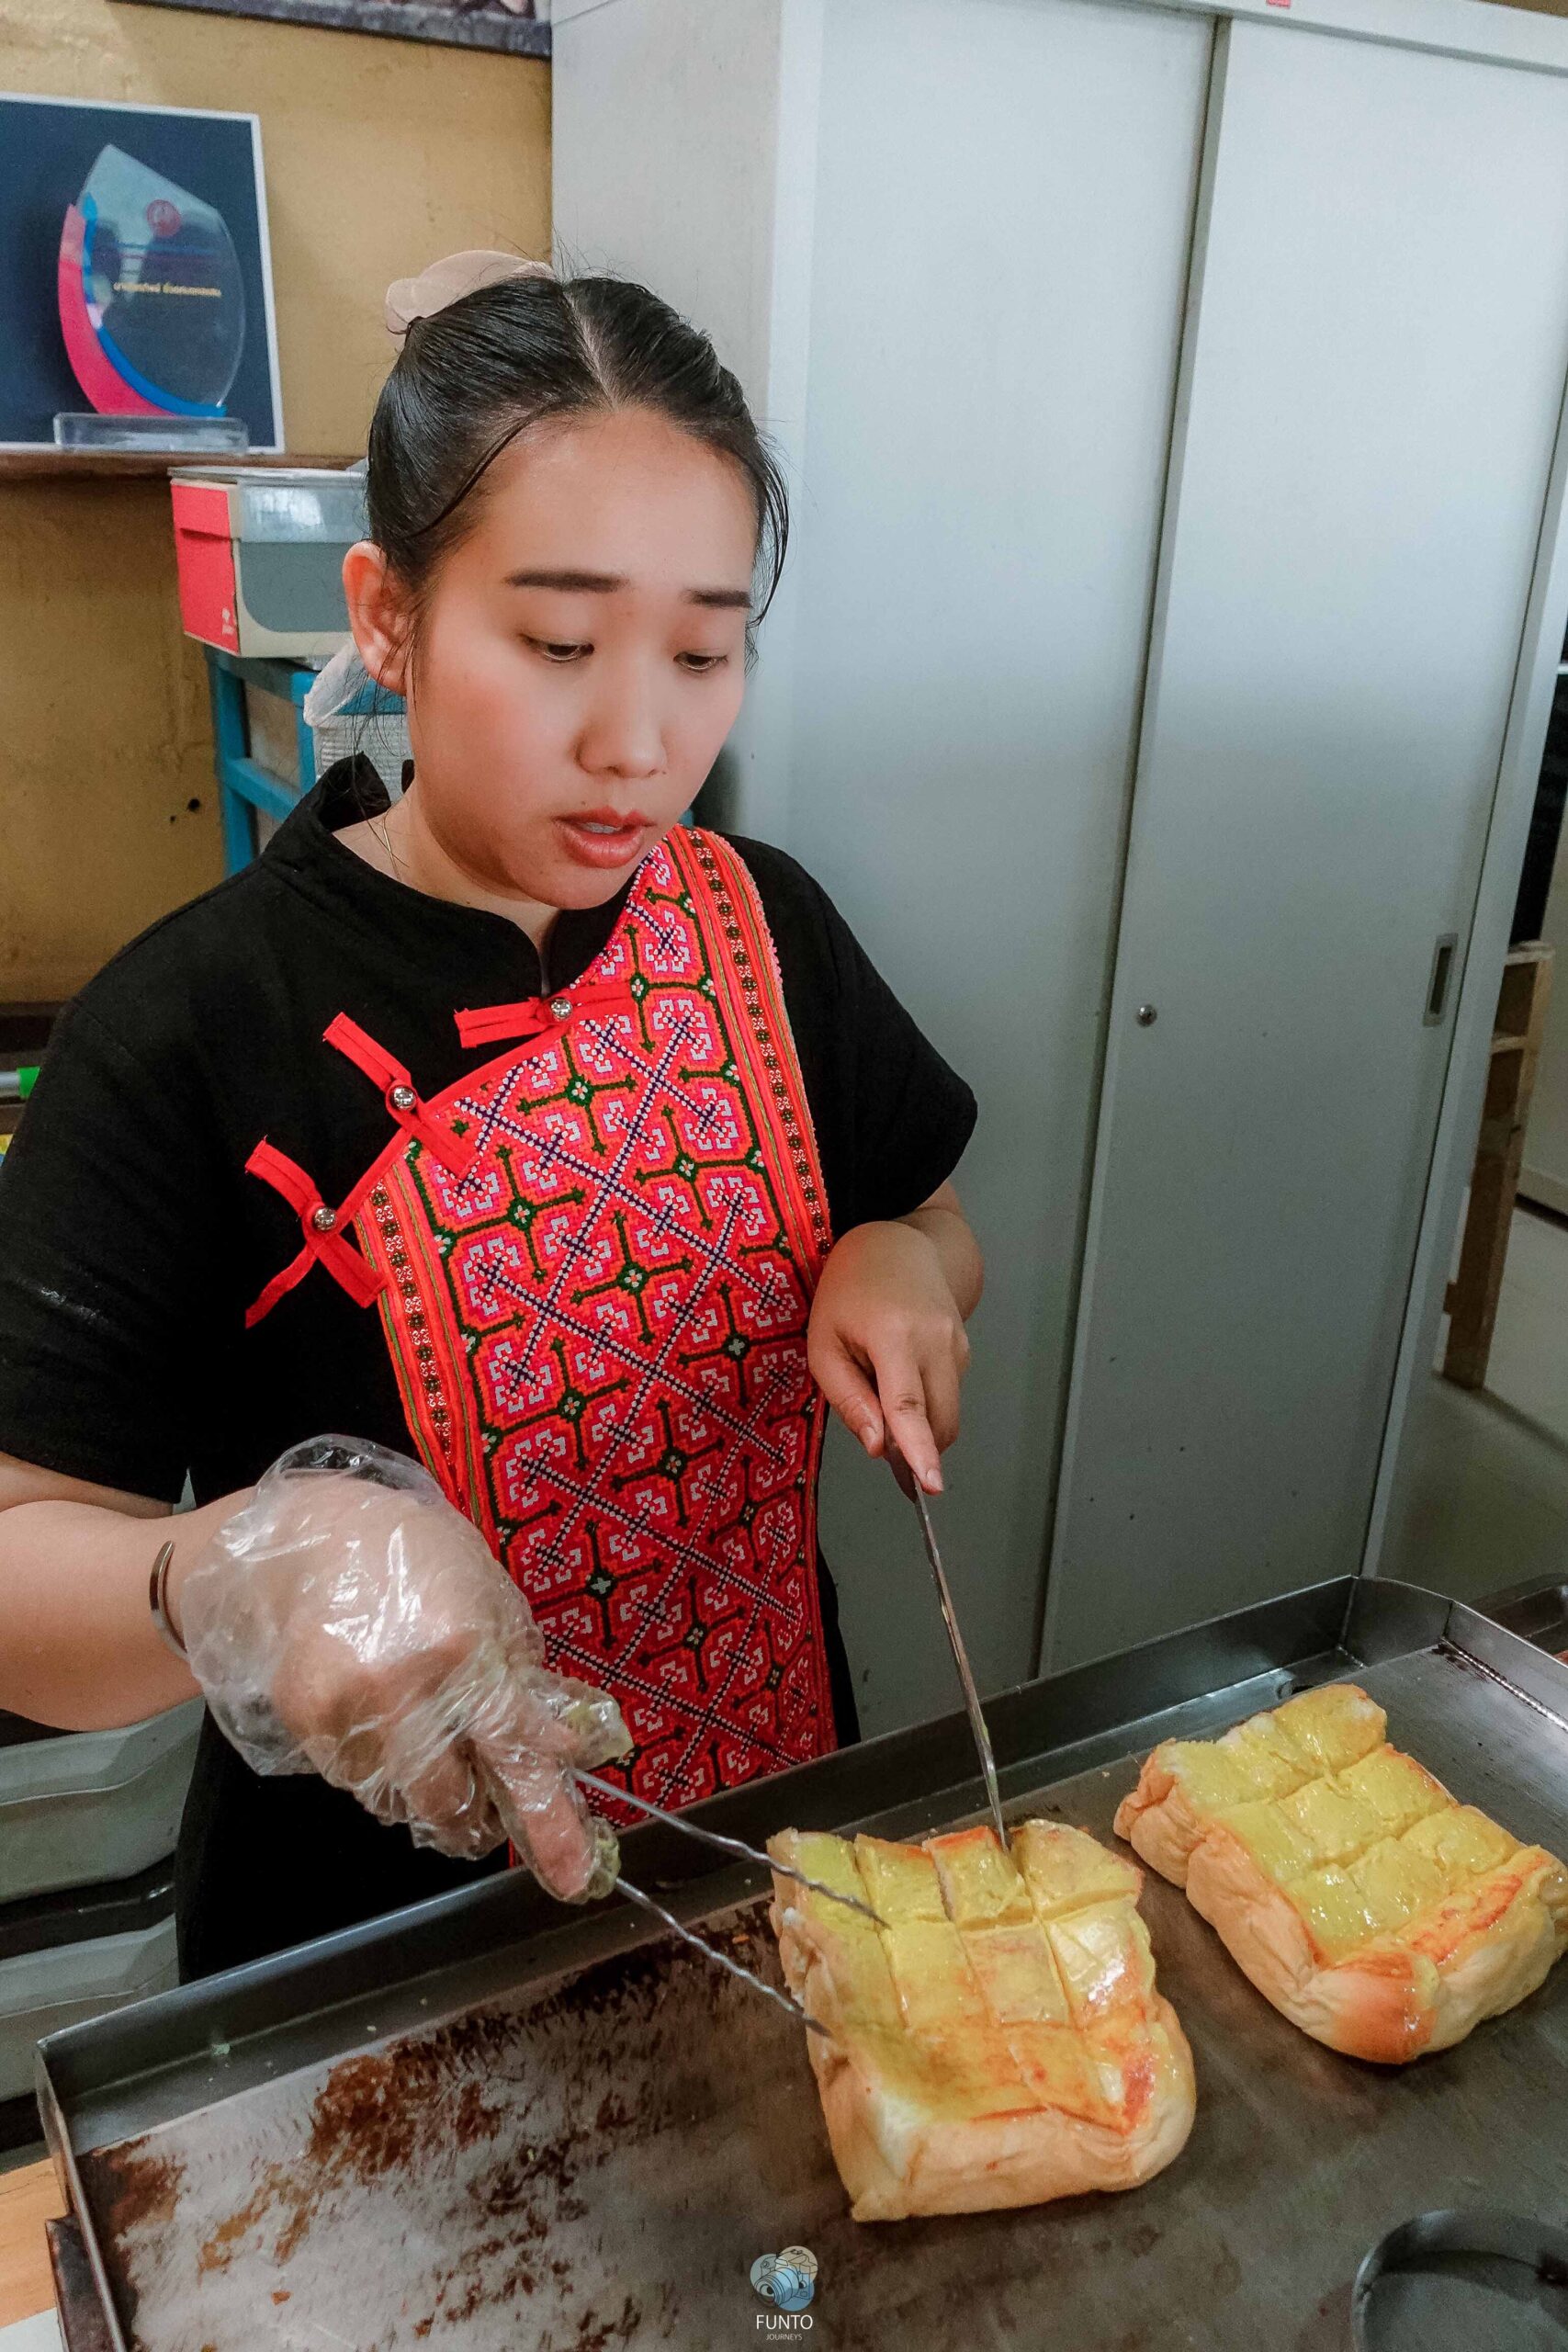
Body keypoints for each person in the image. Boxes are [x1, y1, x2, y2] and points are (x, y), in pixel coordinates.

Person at [0, 254, 981, 1980]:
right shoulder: (188, 1030)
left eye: (704, 650)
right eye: (558, 644)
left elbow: (934, 1212)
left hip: (772, 1835)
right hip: (370, 1953)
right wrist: (227, 1571)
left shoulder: (762, 924)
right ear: (386, 615)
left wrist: (902, 1258)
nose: (639, 740)